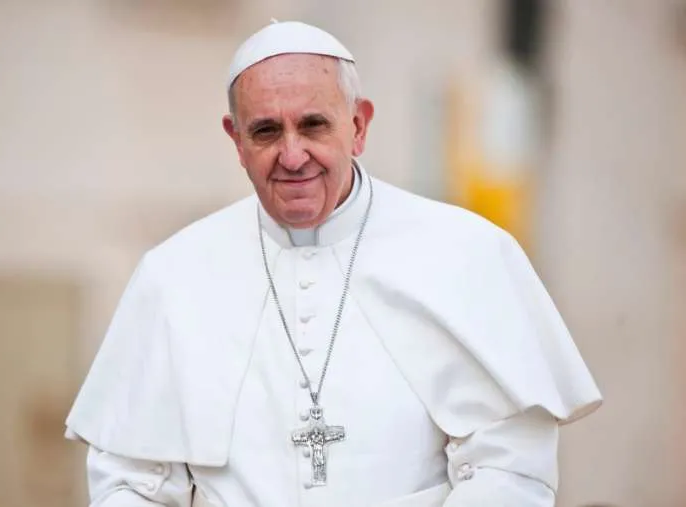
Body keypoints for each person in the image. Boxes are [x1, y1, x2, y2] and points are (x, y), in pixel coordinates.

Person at [65, 20, 602, 507]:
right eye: (266, 131)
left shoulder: (467, 254)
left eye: (314, 125)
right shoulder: (174, 276)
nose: (292, 155)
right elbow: (131, 484)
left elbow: (509, 467)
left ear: (359, 125)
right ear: (236, 140)